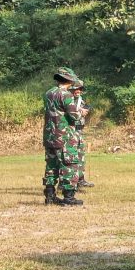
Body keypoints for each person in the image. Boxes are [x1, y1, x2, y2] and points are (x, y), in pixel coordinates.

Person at [42, 67, 85, 207]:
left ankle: (50, 196)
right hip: (64, 136)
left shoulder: (48, 93)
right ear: (69, 80)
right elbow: (75, 116)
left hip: (50, 136)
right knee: (69, 165)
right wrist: (81, 112)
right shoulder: (66, 95)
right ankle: (69, 197)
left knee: (51, 166)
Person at [72, 82, 94, 188]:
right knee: (70, 157)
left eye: (80, 89)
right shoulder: (67, 99)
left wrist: (85, 111)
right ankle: (66, 183)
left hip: (79, 131)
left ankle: (80, 179)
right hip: (70, 131)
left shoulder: (81, 100)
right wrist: (80, 111)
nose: (78, 91)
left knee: (80, 156)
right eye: (76, 89)